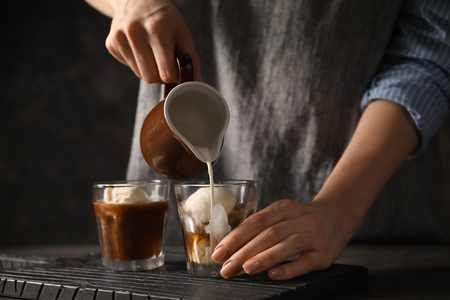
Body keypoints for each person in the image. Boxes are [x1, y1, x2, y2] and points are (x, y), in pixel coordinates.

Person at [85, 0, 450, 280]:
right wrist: (130, 4)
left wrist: (340, 209)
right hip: (168, 253)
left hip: (368, 237)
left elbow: (428, 52)